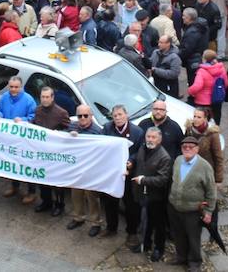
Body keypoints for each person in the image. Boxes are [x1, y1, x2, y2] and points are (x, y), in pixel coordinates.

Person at [167, 135, 216, 271]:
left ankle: (195, 262)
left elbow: (211, 191)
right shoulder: (178, 160)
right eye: (184, 147)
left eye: (191, 147)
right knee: (178, 235)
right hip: (175, 207)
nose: (187, 149)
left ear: (197, 149)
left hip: (193, 211)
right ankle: (181, 257)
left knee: (193, 238)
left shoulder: (204, 167)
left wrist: (209, 212)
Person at [100, 104, 143, 244]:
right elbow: (100, 145)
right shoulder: (107, 128)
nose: (118, 118)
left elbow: (139, 152)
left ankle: (132, 232)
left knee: (130, 204)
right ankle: (111, 227)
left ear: (126, 115)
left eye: (120, 114)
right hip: (112, 173)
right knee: (110, 202)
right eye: (115, 116)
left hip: (128, 174)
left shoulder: (137, 132)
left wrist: (131, 161)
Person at [129, 126, 172, 260]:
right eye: (148, 136)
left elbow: (162, 179)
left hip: (156, 197)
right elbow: (138, 159)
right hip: (141, 193)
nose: (150, 139)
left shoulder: (164, 157)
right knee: (145, 222)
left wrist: (143, 180)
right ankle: (145, 244)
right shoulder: (143, 147)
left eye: (153, 137)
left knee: (158, 225)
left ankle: (159, 249)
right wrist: (131, 162)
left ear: (160, 139)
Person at [0, 76, 37, 201]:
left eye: (16, 87)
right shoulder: (4, 97)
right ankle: (15, 186)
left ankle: (31, 191)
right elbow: (0, 110)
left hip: (24, 140)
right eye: (11, 87)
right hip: (9, 138)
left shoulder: (29, 100)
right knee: (12, 163)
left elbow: (34, 116)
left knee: (26, 164)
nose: (13, 90)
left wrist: (23, 120)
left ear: (21, 87)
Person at [67, 104, 104, 236]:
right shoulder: (72, 126)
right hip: (76, 168)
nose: (82, 118)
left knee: (92, 197)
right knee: (76, 194)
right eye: (80, 116)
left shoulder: (98, 131)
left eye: (85, 115)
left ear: (91, 116)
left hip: (90, 169)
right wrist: (70, 137)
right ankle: (78, 217)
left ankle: (96, 222)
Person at [32, 87, 70, 216]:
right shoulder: (37, 110)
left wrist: (58, 134)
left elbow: (68, 130)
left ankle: (60, 205)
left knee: (57, 182)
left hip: (55, 153)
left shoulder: (61, 113)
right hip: (41, 152)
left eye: (47, 97)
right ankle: (46, 202)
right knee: (42, 179)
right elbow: (33, 126)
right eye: (43, 97)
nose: (45, 99)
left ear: (52, 97)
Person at [187, 50, 228, 124]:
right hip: (217, 100)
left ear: (204, 59)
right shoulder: (221, 69)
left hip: (203, 102)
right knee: (215, 121)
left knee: (203, 122)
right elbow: (226, 83)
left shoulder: (202, 71)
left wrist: (190, 90)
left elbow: (197, 86)